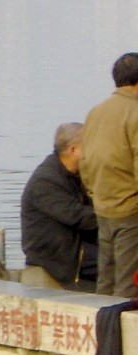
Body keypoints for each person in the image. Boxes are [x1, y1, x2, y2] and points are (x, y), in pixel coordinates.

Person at [80, 53, 138, 298]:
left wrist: (95, 194)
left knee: (106, 277)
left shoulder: (96, 112)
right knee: (128, 281)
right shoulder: (135, 112)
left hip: (103, 206)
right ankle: (118, 334)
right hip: (131, 208)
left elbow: (85, 161)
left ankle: (99, 326)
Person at [20, 122, 99, 290]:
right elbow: (78, 216)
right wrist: (116, 215)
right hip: (58, 256)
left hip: (78, 245)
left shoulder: (75, 174)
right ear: (73, 150)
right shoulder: (46, 181)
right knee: (120, 260)